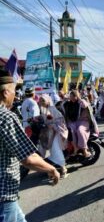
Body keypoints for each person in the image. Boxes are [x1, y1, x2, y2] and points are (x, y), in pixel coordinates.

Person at [0, 74, 60, 222]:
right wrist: (52, 169)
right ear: (5, 92)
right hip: (4, 196)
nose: (16, 94)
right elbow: (27, 158)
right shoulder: (6, 117)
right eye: (14, 90)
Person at [39, 94, 68, 177]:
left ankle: (63, 168)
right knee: (52, 151)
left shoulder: (53, 109)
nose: (41, 102)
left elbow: (61, 121)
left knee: (56, 149)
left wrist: (53, 126)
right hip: (49, 133)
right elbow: (44, 120)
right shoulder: (43, 109)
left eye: (43, 100)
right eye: (40, 100)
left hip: (56, 133)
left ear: (48, 101)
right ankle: (53, 170)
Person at [63, 90, 94, 158]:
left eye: (73, 96)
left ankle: (84, 150)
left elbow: (85, 105)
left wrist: (79, 99)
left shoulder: (81, 101)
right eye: (71, 97)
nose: (72, 98)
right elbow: (62, 106)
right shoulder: (68, 103)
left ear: (77, 96)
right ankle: (75, 148)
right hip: (73, 122)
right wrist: (64, 99)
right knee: (70, 130)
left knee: (80, 130)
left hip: (83, 121)